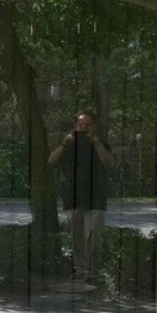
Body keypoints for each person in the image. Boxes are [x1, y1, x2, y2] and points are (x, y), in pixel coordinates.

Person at [48, 110, 116, 279]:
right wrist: (64, 144)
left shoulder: (100, 143)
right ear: (75, 125)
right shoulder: (67, 143)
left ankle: (93, 270)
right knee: (77, 236)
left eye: (87, 125)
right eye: (80, 125)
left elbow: (109, 164)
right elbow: (52, 161)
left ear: (94, 126)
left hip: (97, 196)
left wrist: (97, 142)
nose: (84, 128)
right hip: (73, 196)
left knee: (94, 234)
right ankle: (80, 269)